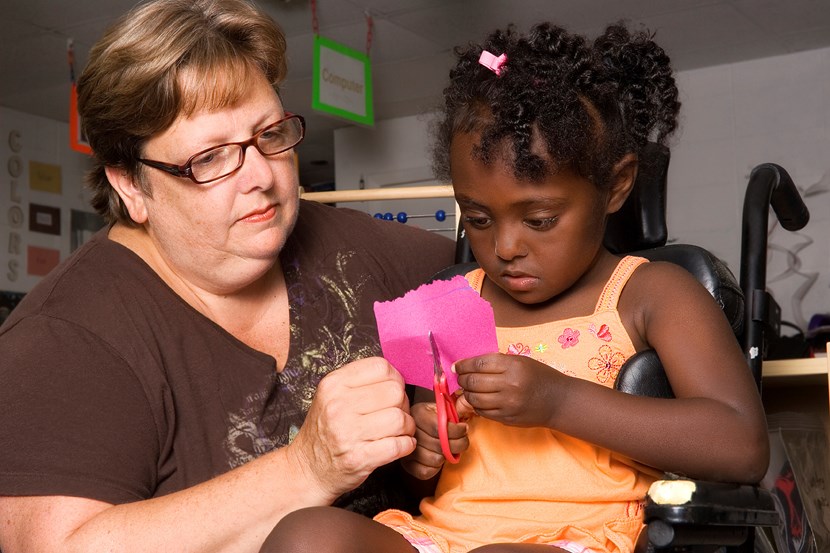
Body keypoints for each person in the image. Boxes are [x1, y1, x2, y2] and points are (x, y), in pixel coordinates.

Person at [259, 21, 770, 553]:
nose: (505, 246)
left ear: (616, 186)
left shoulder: (653, 294)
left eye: (540, 220)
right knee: (306, 536)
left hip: (581, 539)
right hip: (446, 536)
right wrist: (424, 448)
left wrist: (559, 400)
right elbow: (421, 482)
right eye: (478, 219)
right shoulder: (452, 300)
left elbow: (741, 443)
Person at [0, 0, 455, 551]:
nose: (261, 176)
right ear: (131, 186)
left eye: (270, 135)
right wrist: (306, 469)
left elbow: (522, 280)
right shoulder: (65, 338)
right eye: (210, 158)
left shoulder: (368, 250)